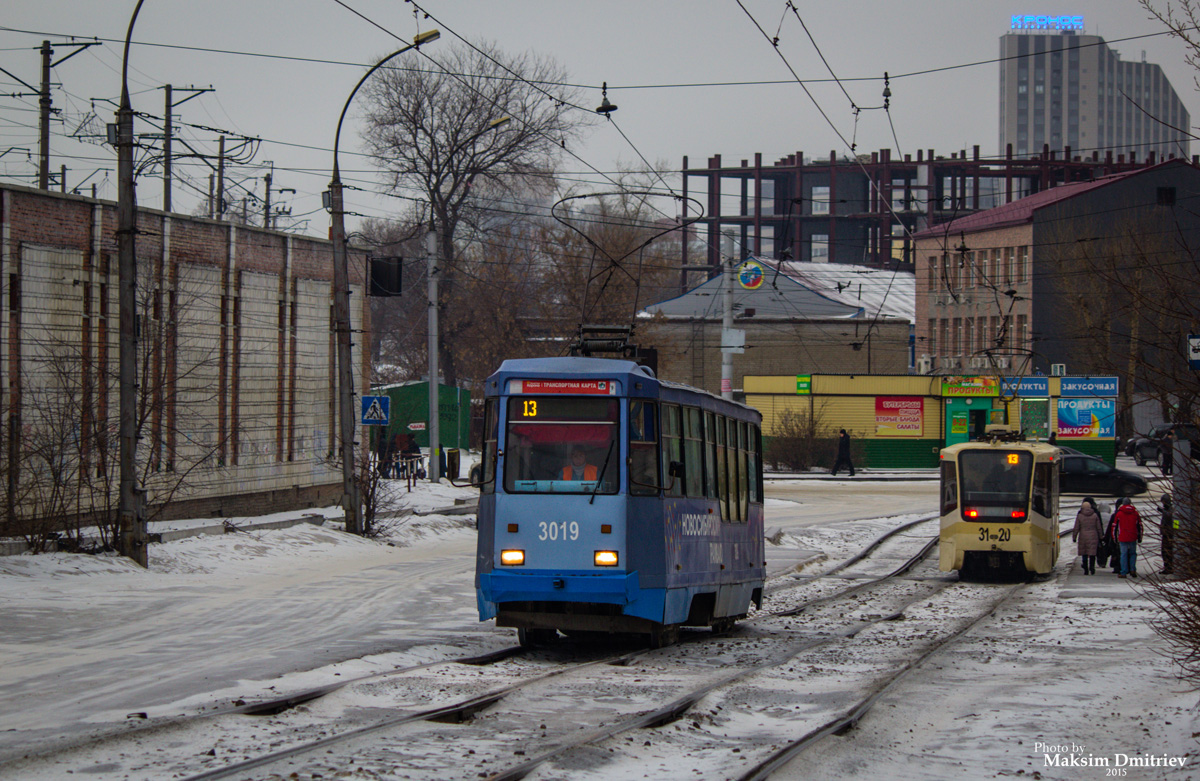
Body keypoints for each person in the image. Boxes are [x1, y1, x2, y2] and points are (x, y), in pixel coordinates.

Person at [1112, 497, 1144, 579]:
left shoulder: (1119, 514)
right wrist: (1140, 537)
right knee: (1133, 553)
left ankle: (1123, 572)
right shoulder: (1135, 513)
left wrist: (1115, 538)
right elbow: (1139, 526)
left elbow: (1114, 527)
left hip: (1122, 537)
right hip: (1133, 536)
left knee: (1123, 554)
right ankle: (1132, 570)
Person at [1072, 497, 1104, 575]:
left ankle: (1085, 568)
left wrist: (1074, 537)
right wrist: (1101, 536)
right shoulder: (1095, 515)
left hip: (1083, 535)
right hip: (1093, 535)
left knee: (1084, 552)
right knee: (1092, 552)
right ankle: (1092, 568)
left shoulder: (1080, 515)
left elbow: (1076, 527)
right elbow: (1099, 527)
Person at [1161, 494, 1176, 575]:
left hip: (1169, 534)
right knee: (1164, 552)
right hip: (1165, 533)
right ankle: (1166, 567)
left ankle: (1169, 567)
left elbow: (1169, 516)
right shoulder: (1167, 509)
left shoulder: (1171, 509)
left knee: (1168, 552)